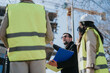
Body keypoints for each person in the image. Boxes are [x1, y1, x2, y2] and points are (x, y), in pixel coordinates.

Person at [0, 0, 53, 73]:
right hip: (37, 55)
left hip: (17, 54)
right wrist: (39, 43)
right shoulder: (41, 10)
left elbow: (1, 34)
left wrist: (9, 45)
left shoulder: (11, 9)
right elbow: (50, 36)